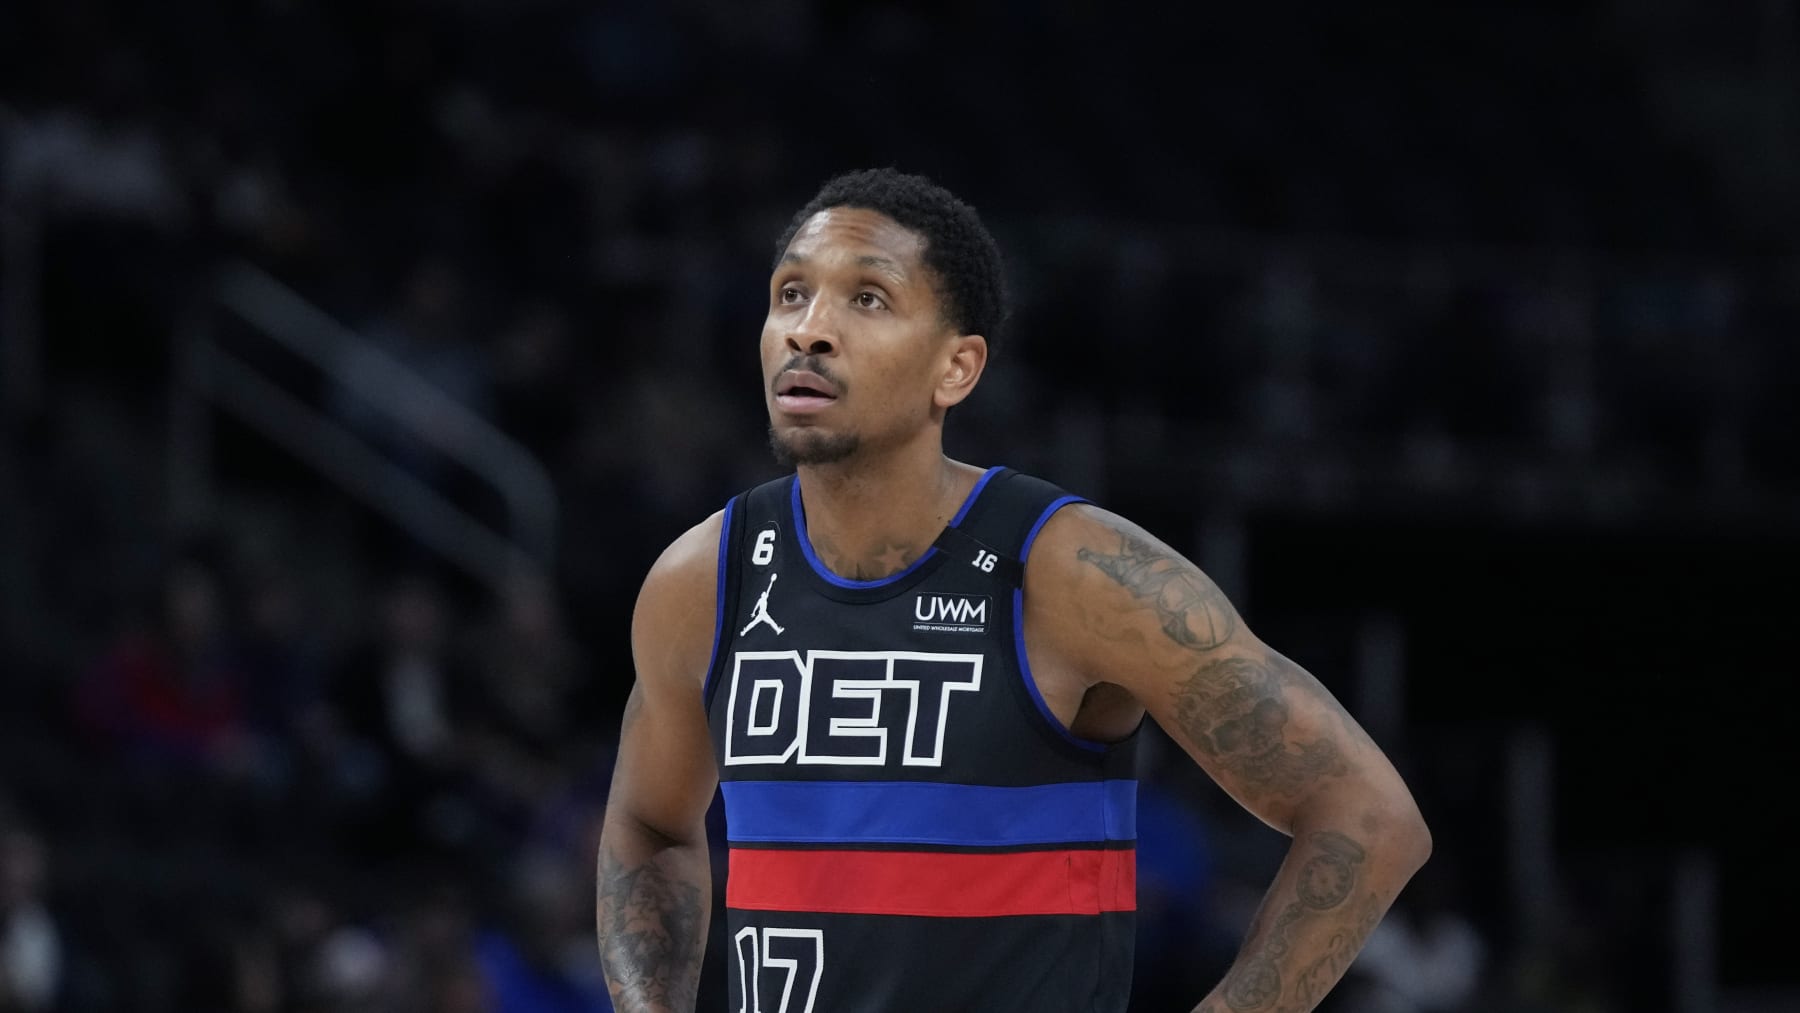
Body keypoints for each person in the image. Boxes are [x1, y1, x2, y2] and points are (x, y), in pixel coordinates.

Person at [595, 167, 1432, 1013]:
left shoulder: (1073, 571)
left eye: (868, 299)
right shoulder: (702, 581)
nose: (809, 330)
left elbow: (1367, 816)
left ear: (956, 368)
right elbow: (649, 827)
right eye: (790, 294)